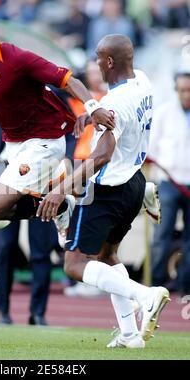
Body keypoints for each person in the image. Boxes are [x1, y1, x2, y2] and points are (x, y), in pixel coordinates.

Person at [0, 4, 115, 244]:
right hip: (13, 146)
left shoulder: (16, 59)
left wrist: (93, 107)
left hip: (44, 141)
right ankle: (61, 200)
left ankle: (62, 202)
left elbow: (68, 81)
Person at [37, 34, 170, 349]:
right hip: (135, 183)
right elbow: (118, 121)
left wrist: (63, 190)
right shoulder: (143, 81)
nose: (96, 64)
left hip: (107, 189)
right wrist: (91, 117)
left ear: (109, 62)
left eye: (98, 58)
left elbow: (102, 155)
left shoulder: (112, 103)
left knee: (74, 264)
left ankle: (145, 295)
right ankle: (129, 335)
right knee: (108, 257)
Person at [0, 108, 58, 326]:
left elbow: (64, 133)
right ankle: (2, 311)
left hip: (40, 176)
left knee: (41, 250)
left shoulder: (46, 99)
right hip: (4, 175)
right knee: (5, 248)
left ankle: (38, 314)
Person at [148, 72, 190, 295]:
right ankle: (156, 286)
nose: (186, 95)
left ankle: (186, 286)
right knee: (162, 235)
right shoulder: (164, 113)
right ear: (176, 90)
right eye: (182, 90)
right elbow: (151, 149)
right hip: (168, 182)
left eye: (189, 90)